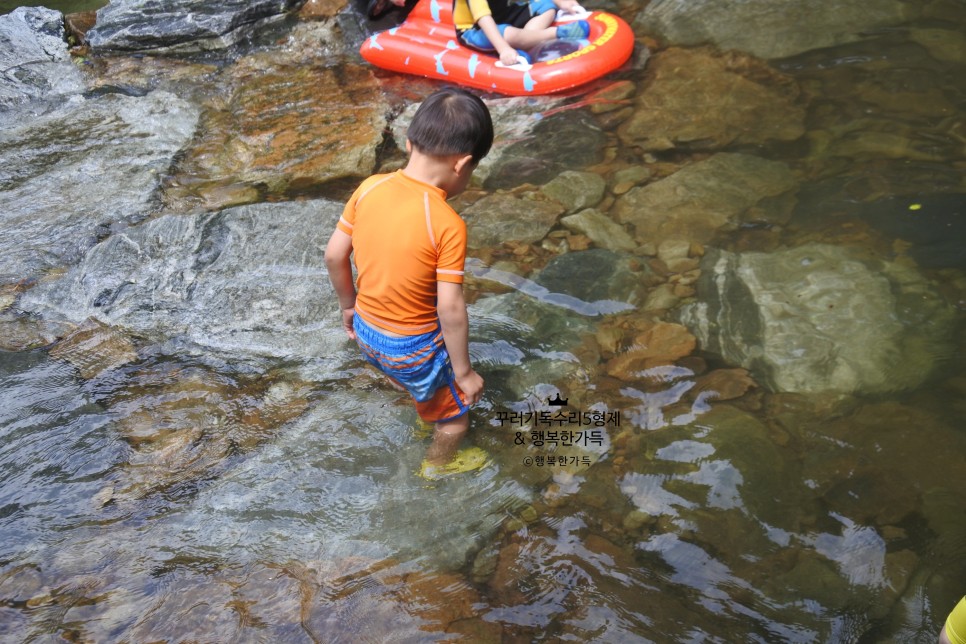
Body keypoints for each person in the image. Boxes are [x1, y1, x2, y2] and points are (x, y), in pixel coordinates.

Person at [325, 87, 492, 480]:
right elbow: (449, 307)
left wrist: (349, 307)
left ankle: (426, 406)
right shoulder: (446, 222)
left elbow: (334, 255)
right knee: (457, 417)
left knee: (423, 385)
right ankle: (438, 465)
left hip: (367, 333)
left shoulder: (370, 187)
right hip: (411, 347)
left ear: (407, 143)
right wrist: (465, 373)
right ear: (463, 164)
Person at [454, 0, 590, 66]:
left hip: (504, 15)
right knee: (508, 35)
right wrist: (504, 49)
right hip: (474, 29)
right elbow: (483, 18)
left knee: (547, 6)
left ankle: (525, 41)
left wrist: (560, 1)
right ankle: (556, 33)